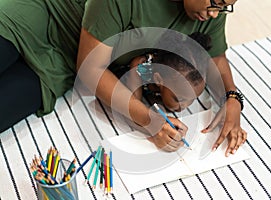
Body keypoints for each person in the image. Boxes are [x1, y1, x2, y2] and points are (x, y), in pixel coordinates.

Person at [0, 0, 246, 156]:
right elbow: (89, 70)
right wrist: (148, 119)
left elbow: (216, 58)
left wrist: (232, 98)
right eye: (217, 2)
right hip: (32, 19)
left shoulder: (208, 10)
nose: (216, 13)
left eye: (225, 6)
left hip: (59, 65)